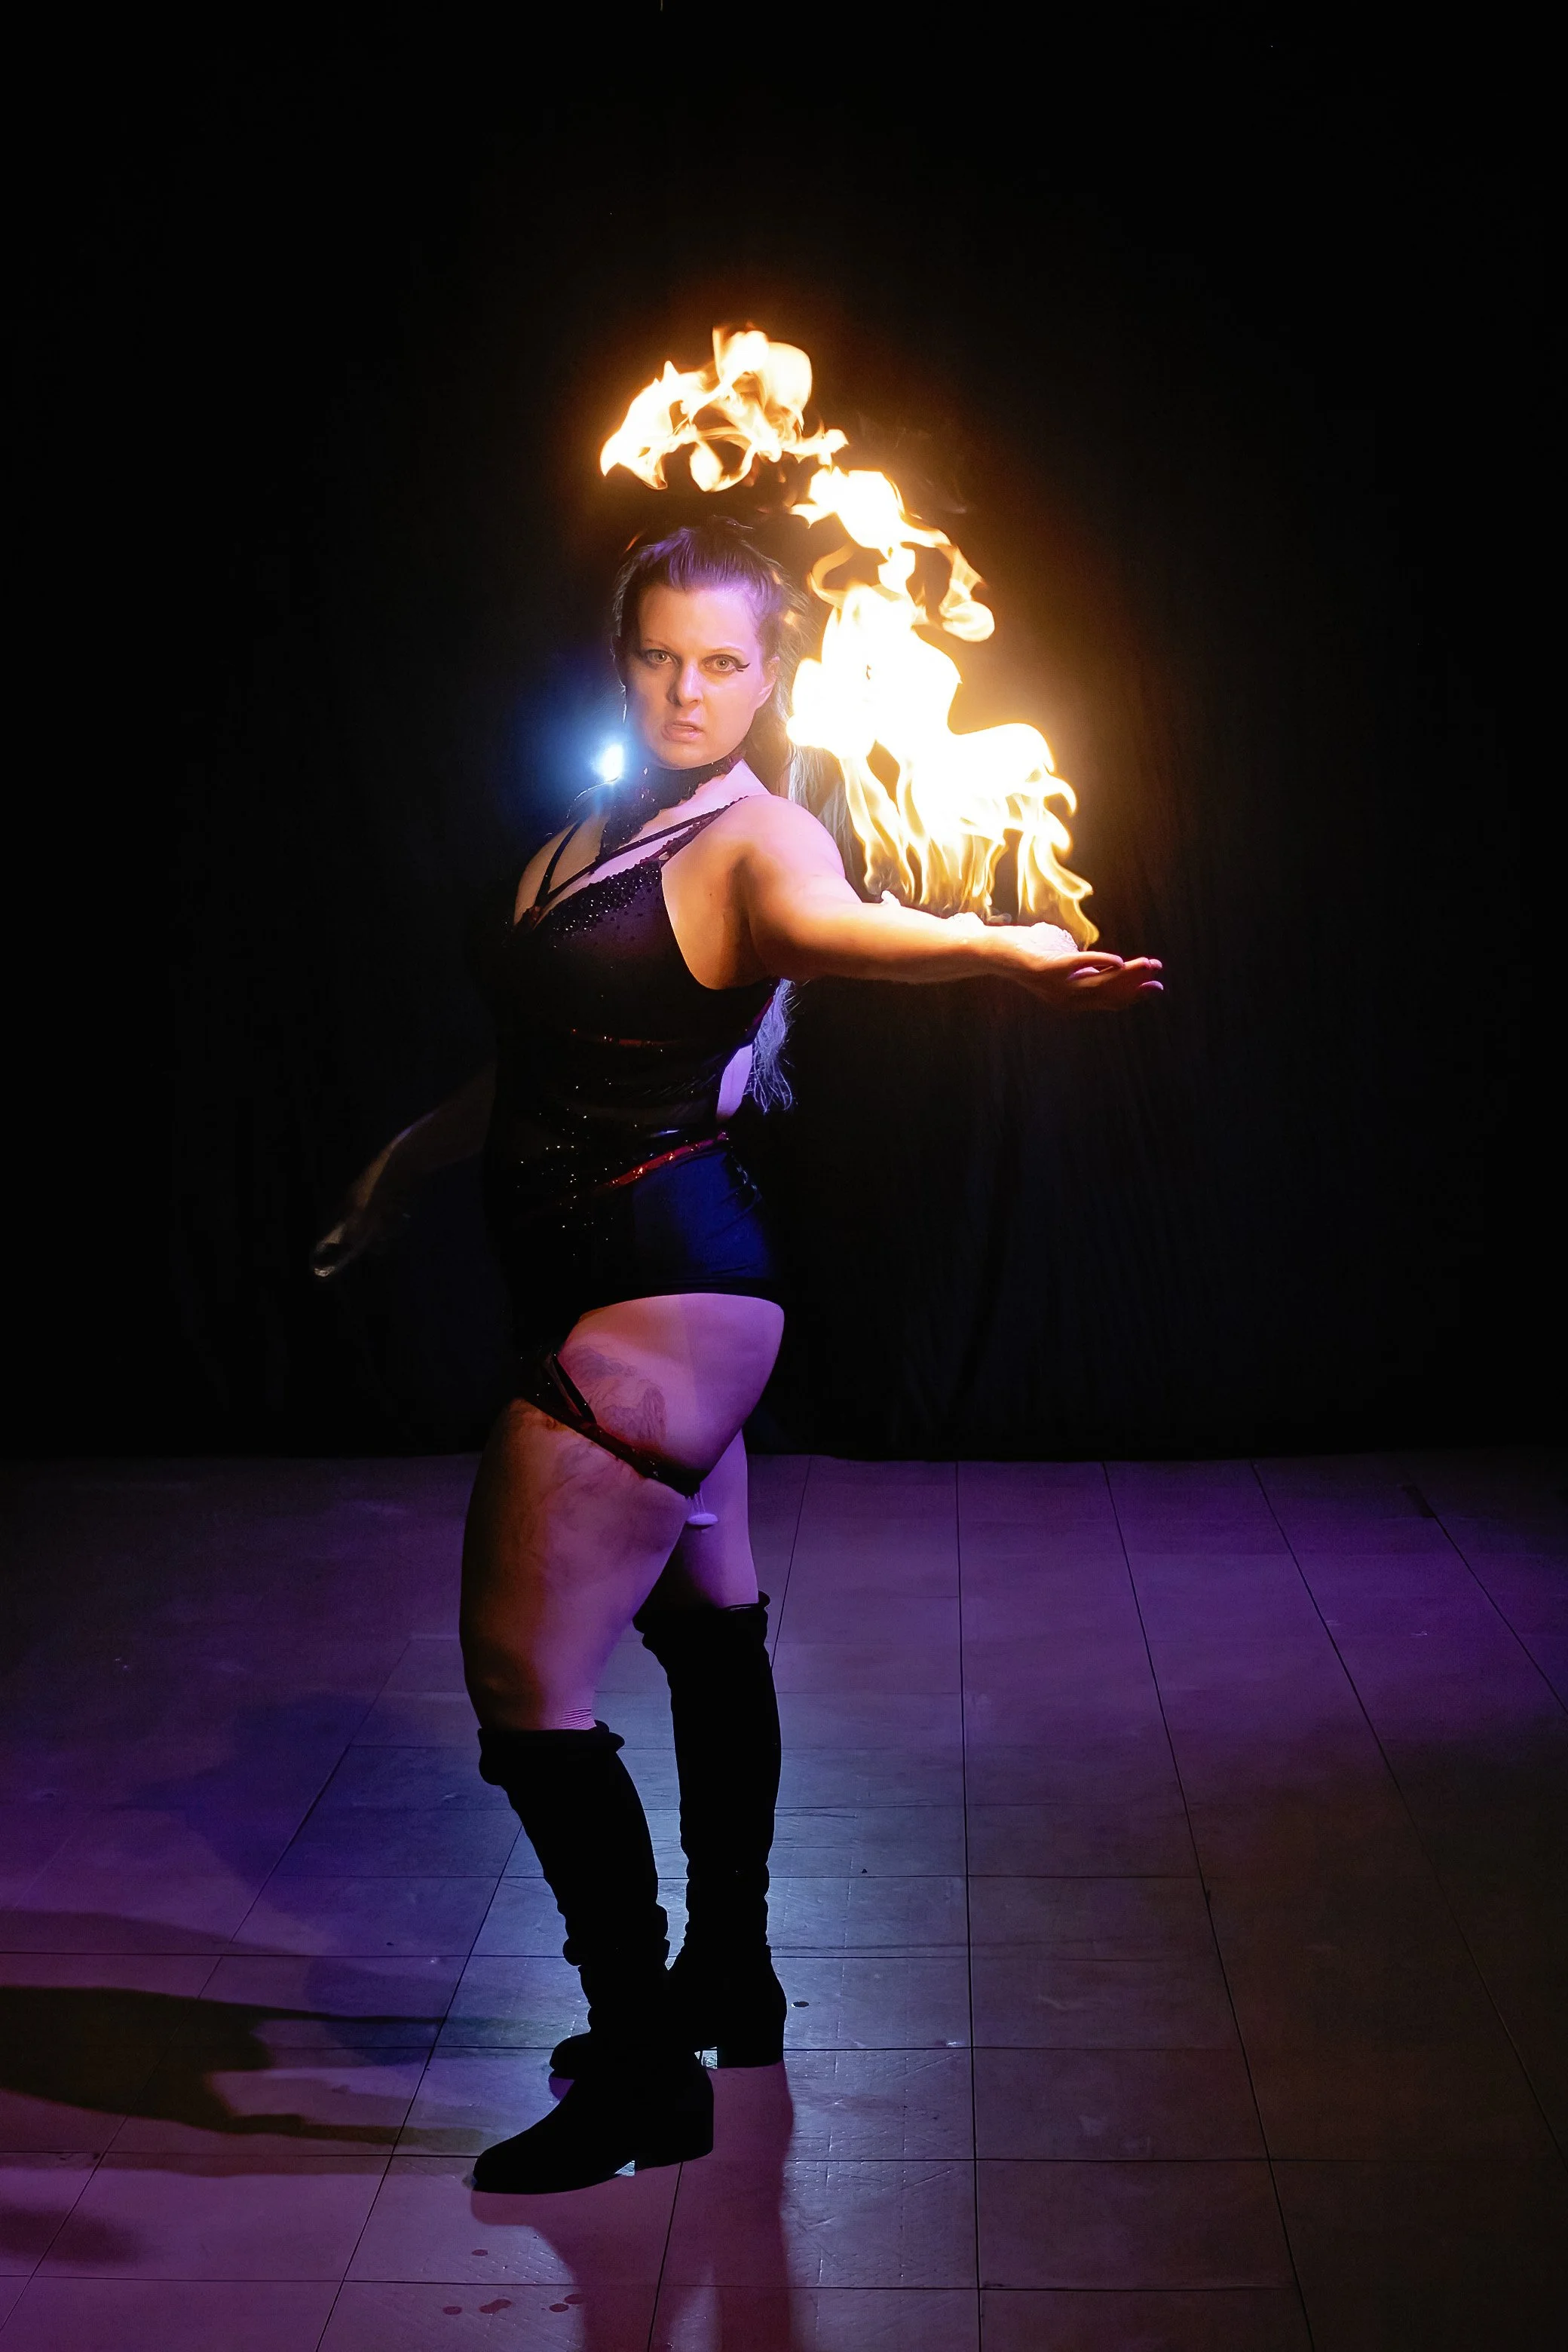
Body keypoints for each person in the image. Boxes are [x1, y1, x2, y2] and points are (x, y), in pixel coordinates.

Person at [314, 518, 1162, 2194]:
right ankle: (728, 1979)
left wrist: (1006, 953)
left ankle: (643, 2071)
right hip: (607, 1289)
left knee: (524, 1690)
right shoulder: (586, 834)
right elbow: (542, 1061)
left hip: (662, 1294)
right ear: (620, 661)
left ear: (773, 678)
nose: (688, 690)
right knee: (707, 1636)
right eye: (659, 656)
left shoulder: (757, 840)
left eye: (722, 662)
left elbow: (849, 928)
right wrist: (404, 1162)